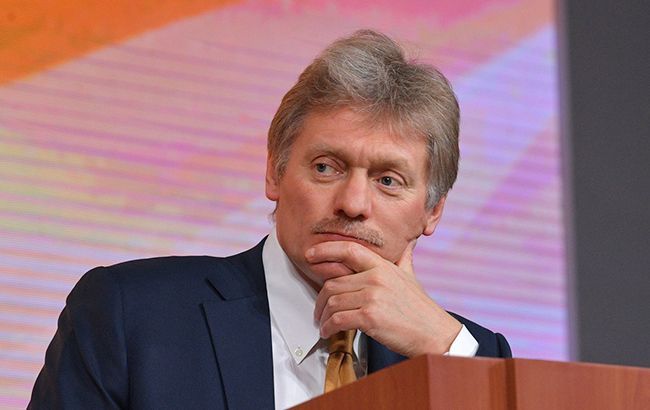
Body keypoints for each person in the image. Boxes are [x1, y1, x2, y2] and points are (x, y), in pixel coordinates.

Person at [29, 29, 511, 409]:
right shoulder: (129, 314)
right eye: (326, 167)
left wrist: (446, 351)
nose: (353, 203)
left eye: (388, 180)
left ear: (432, 211)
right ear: (275, 172)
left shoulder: (467, 353)